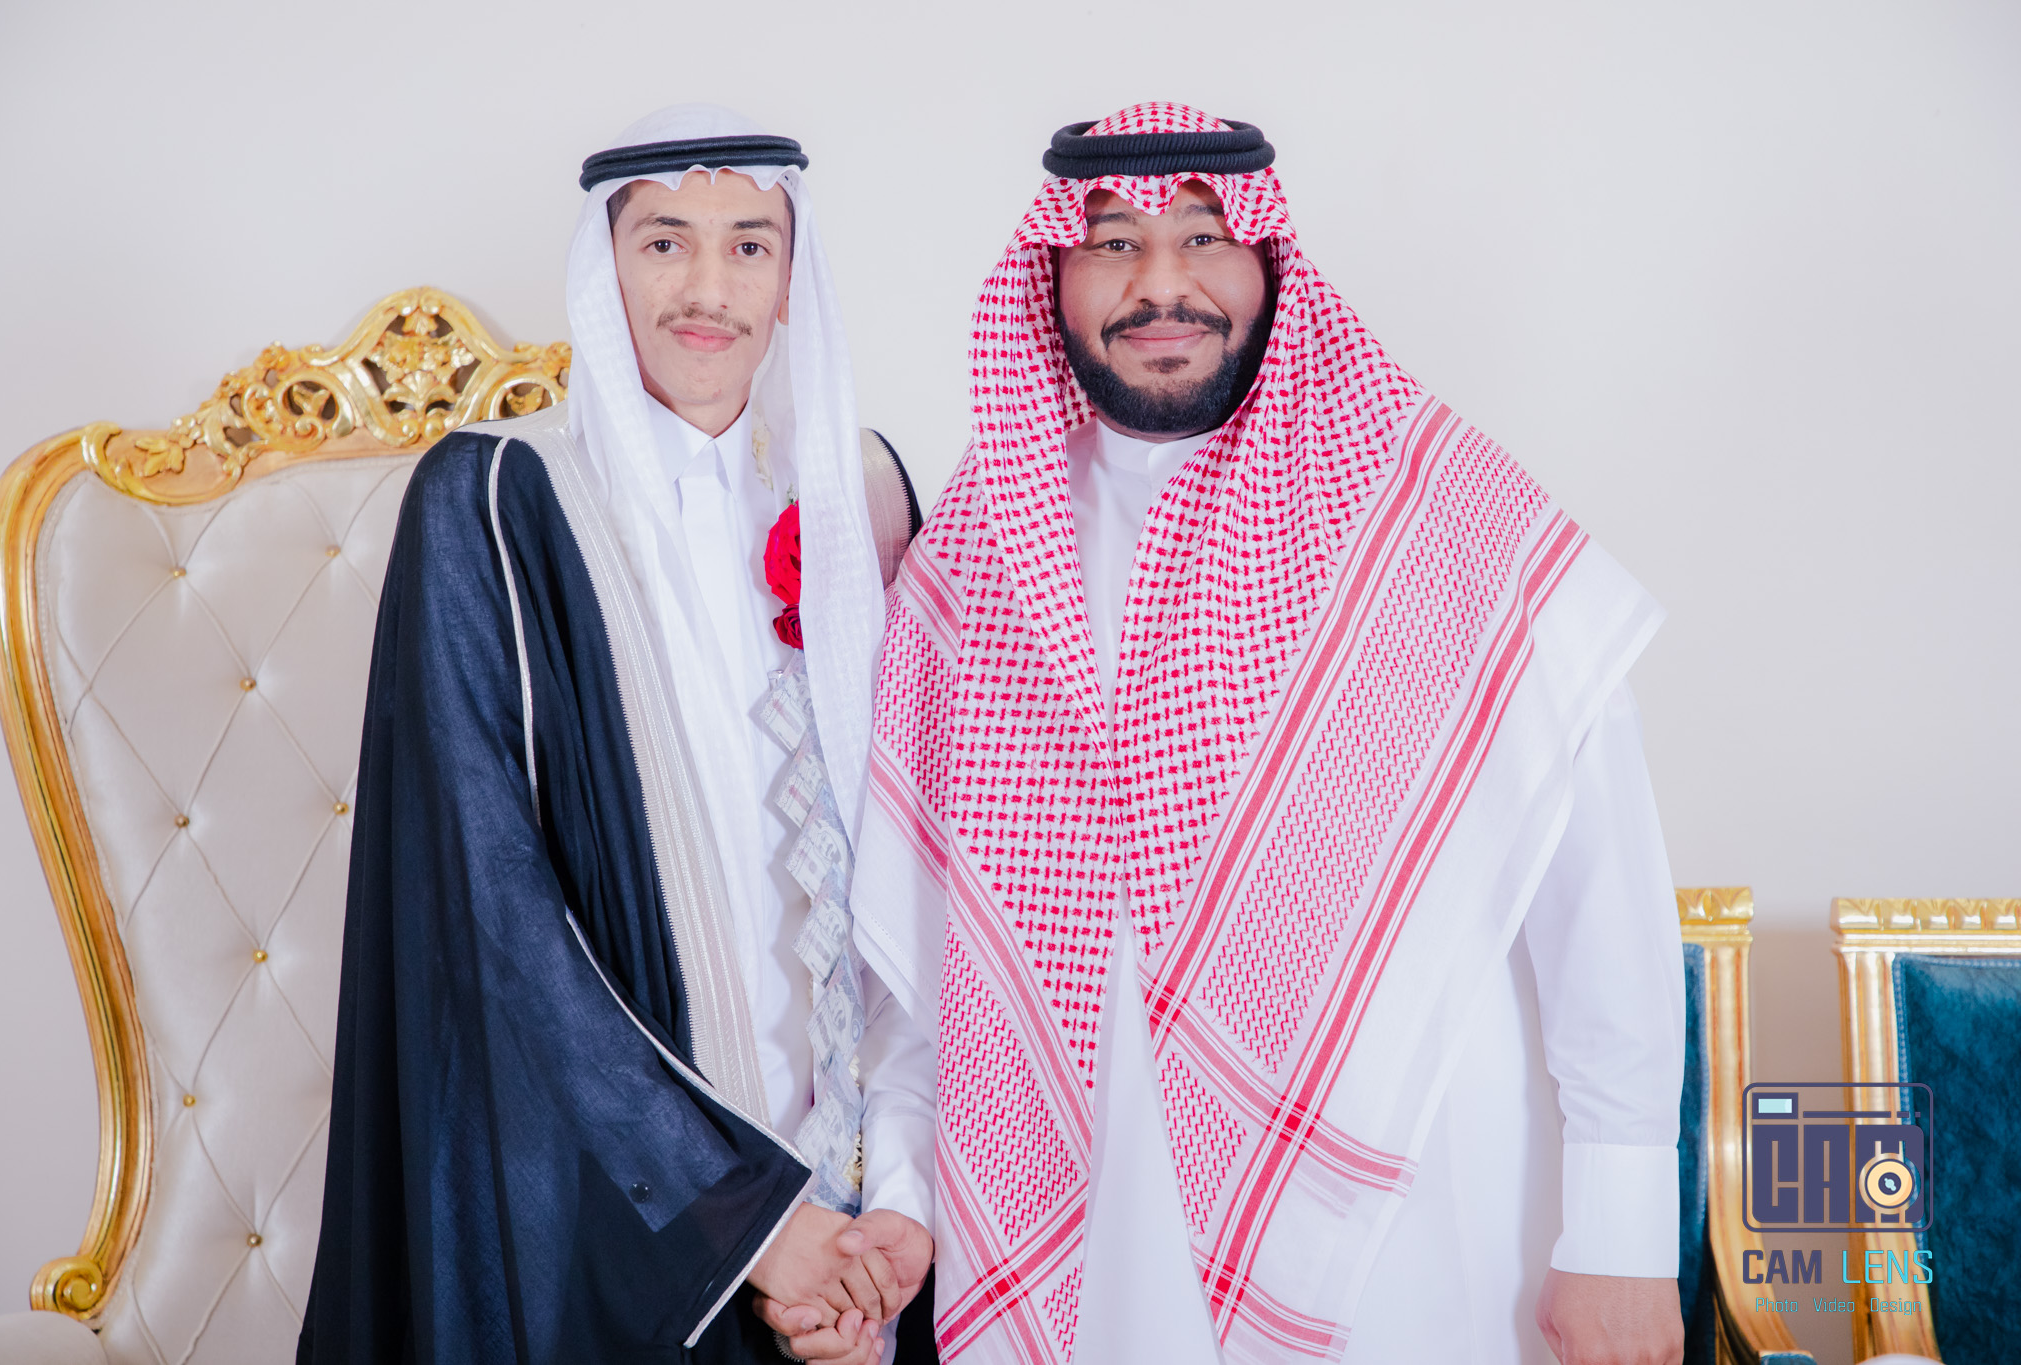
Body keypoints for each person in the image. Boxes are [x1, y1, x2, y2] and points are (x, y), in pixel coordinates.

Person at [852, 104, 1686, 1364]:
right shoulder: (977, 551)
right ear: (1053, 277)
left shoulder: (1430, 513)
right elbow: (924, 958)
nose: (1160, 284)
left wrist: (1618, 1236)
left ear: (1265, 261)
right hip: (1079, 1210)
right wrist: (903, 1199)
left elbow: (1599, 888)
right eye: (1112, 243)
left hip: (1400, 1217)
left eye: (1202, 236)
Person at [298, 104, 936, 1364]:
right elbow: (494, 918)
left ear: (791, 276)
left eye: (749, 245)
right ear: (606, 265)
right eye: (663, 243)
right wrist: (750, 1226)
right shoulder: (494, 500)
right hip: (611, 1225)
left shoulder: (858, 496)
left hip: (855, 1234)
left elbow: (915, 885)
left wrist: (892, 1219)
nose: (707, 289)